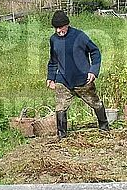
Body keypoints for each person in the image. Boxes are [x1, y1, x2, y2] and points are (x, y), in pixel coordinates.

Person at [46, 10, 109, 139]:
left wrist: (93, 71)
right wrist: (50, 78)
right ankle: (62, 135)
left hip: (82, 79)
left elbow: (95, 51)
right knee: (60, 107)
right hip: (63, 79)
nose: (58, 30)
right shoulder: (53, 39)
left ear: (67, 24)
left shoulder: (79, 36)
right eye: (56, 28)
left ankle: (104, 127)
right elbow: (53, 60)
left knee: (95, 103)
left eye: (61, 27)